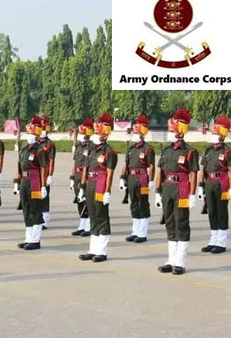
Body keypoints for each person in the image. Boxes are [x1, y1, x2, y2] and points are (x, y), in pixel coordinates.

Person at [155, 107, 199, 275]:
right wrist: (158, 192)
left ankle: (180, 261)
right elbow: (161, 172)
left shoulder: (190, 151)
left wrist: (192, 195)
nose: (170, 128)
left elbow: (193, 174)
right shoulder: (166, 150)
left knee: (181, 223)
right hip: (167, 188)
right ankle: (171, 259)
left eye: (172, 126)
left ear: (181, 129)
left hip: (182, 188)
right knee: (170, 222)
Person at [78, 112, 117, 263]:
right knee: (92, 216)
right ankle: (92, 249)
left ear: (105, 135)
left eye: (99, 131)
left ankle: (102, 251)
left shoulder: (109, 152)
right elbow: (86, 169)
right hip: (90, 184)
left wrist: (107, 191)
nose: (96, 133)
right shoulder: (92, 149)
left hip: (101, 185)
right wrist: (82, 187)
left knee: (101, 217)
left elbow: (109, 174)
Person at [198, 115, 231, 254]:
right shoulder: (208, 150)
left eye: (216, 132)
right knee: (212, 212)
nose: (213, 134)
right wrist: (201, 186)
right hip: (209, 183)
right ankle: (213, 240)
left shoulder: (228, 151)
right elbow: (203, 169)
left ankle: (221, 242)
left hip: (222, 183)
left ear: (222, 134)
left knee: (221, 212)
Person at [13, 115, 48, 250]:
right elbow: (19, 166)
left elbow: (44, 169)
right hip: (25, 181)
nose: (30, 135)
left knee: (35, 210)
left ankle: (35, 240)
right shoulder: (24, 149)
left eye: (32, 133)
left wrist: (43, 186)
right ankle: (28, 237)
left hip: (35, 181)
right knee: (26, 209)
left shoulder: (40, 150)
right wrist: (17, 182)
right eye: (28, 132)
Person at [119, 114, 155, 243]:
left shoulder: (148, 149)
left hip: (143, 178)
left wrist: (151, 180)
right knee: (133, 203)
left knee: (143, 203)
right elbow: (126, 164)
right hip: (131, 178)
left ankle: (142, 233)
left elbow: (151, 166)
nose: (134, 132)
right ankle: (135, 231)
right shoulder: (131, 148)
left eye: (137, 130)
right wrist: (122, 177)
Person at [70, 118, 94, 237]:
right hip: (78, 175)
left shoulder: (92, 147)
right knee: (79, 200)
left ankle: (89, 225)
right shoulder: (79, 146)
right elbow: (75, 163)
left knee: (87, 200)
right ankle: (82, 225)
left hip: (87, 176)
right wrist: (71, 177)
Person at [38, 115, 56, 229]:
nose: (42, 131)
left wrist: (50, 175)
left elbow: (52, 161)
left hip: (45, 174)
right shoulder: (36, 142)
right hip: (36, 174)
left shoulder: (50, 144)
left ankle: (45, 220)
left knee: (44, 197)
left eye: (44, 129)